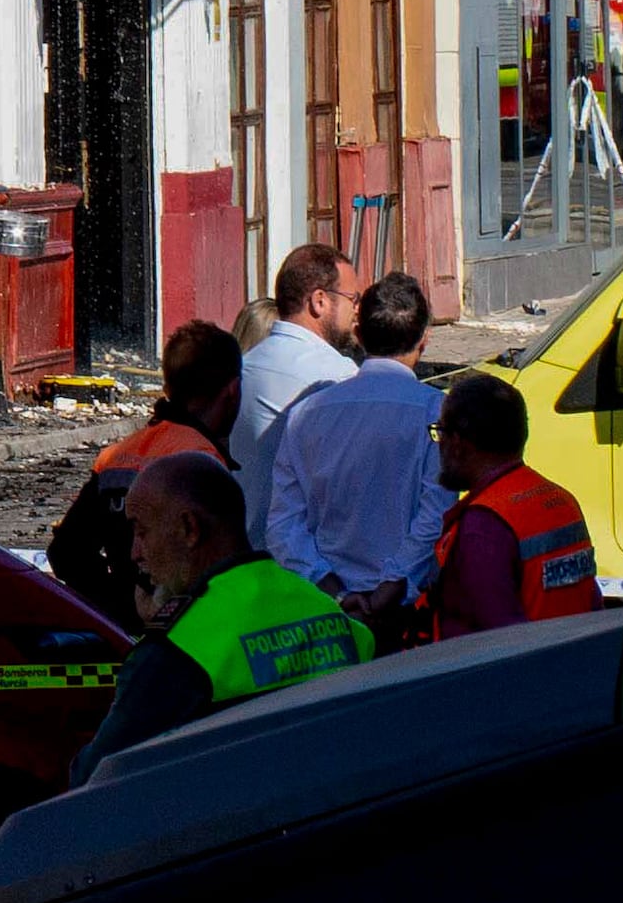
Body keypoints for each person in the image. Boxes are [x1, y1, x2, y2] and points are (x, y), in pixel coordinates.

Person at [72, 451, 369, 783]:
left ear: (189, 529)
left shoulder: (174, 653)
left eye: (141, 532)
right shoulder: (328, 613)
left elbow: (93, 777)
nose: (134, 553)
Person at [263, 273, 449, 625]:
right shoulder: (435, 411)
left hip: (329, 608)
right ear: (425, 338)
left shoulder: (308, 413)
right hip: (408, 611)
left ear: (359, 335)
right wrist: (393, 583)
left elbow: (284, 523)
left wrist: (335, 589)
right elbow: (436, 511)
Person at [50, 323, 241, 629]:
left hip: (131, 633)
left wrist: (121, 610)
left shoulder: (119, 455)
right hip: (190, 633)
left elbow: (67, 552)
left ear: (168, 388)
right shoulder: (202, 463)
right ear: (232, 391)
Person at [420, 369, 603, 640]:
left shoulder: (484, 524)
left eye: (441, 432)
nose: (440, 444)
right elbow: (589, 599)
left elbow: (501, 640)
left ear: (457, 442)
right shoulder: (560, 501)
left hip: (516, 675)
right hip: (573, 660)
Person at [231, 243, 355, 527]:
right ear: (319, 301)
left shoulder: (245, 365)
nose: (356, 311)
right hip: (306, 560)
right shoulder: (339, 375)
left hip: (248, 549)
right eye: (352, 299)